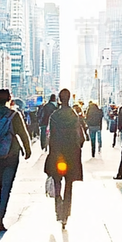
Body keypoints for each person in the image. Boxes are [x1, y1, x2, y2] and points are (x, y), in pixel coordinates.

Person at [0, 88, 32, 232]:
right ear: (10, 99)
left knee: (1, 184)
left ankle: (1, 207)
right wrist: (28, 150)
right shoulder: (14, 115)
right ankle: (0, 216)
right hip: (11, 155)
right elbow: (23, 134)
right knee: (6, 187)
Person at [45, 88, 84, 229]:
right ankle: (65, 214)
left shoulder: (54, 116)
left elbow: (51, 136)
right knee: (69, 184)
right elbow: (79, 136)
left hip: (57, 153)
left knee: (57, 181)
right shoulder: (74, 115)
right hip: (71, 154)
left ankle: (58, 208)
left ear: (59, 100)